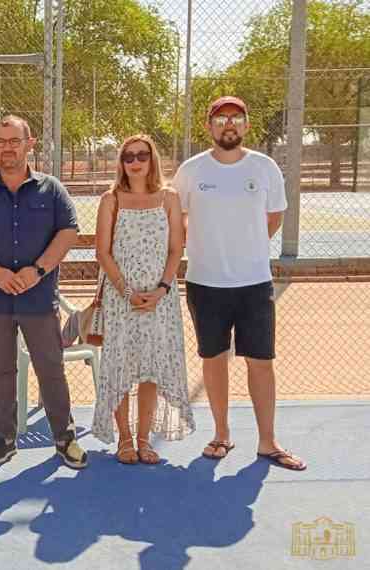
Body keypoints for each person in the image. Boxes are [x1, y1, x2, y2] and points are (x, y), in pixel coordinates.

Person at [174, 95, 306, 470]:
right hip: (205, 283)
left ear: (246, 125)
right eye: (220, 119)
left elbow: (274, 216)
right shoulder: (191, 171)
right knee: (213, 360)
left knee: (261, 361)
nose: (228, 124)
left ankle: (268, 442)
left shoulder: (264, 168)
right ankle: (221, 434)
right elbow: (177, 217)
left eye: (236, 118)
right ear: (209, 126)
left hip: (254, 284)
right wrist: (204, 245)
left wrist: (245, 246)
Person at [0, 115, 86, 469]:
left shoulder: (52, 189)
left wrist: (38, 270)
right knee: (2, 369)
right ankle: (5, 438)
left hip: (38, 298)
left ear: (30, 144)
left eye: (14, 141)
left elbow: (68, 232)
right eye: (0, 141)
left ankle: (64, 437)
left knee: (51, 367)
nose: (7, 147)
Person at [91, 134, 195, 464]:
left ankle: (144, 439)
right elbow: (103, 252)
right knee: (120, 366)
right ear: (121, 163)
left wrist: (161, 289)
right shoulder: (111, 200)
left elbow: (176, 248)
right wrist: (126, 292)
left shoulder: (169, 198)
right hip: (122, 298)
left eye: (142, 156)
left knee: (150, 369)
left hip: (160, 299)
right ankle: (123, 439)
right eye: (128, 157)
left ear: (152, 160)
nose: (135, 162)